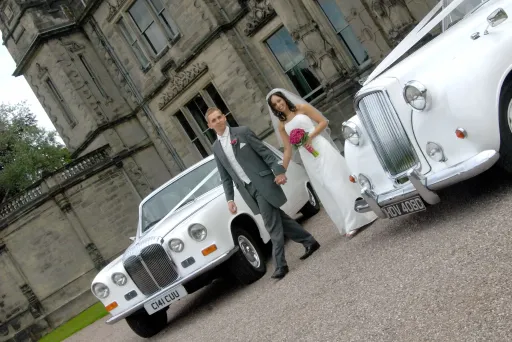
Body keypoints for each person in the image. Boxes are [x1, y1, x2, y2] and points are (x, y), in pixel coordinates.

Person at [206, 107, 320, 280]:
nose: (218, 121)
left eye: (219, 117)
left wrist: (279, 171)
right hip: (247, 190)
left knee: (270, 223)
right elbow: (225, 176)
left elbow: (265, 153)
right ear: (209, 125)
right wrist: (230, 199)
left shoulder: (242, 132)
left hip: (264, 183)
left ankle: (280, 265)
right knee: (279, 219)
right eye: (213, 120)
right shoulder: (216, 147)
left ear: (225, 117)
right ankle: (309, 241)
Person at [266, 88, 378, 238]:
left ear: (284, 99)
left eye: (279, 100)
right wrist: (282, 171)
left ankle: (355, 220)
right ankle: (349, 220)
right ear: (274, 109)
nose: (279, 105)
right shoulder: (282, 125)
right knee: (326, 187)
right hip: (307, 157)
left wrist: (309, 136)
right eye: (275, 105)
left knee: (336, 182)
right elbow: (287, 149)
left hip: (320, 147)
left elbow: (323, 122)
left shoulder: (302, 108)